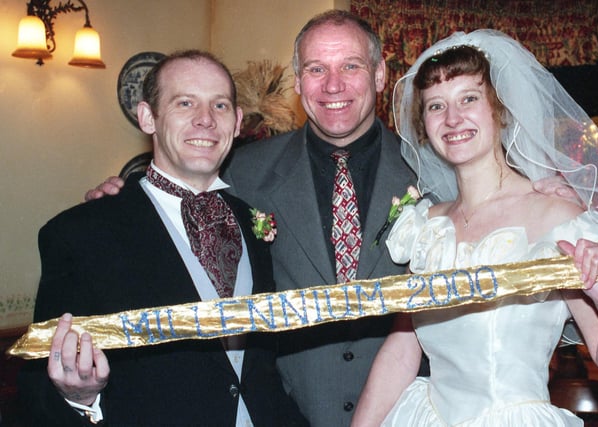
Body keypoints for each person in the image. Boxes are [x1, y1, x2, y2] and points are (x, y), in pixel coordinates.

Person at [85, 10, 419, 426]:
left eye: (350, 66)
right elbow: (173, 197)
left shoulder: (431, 172)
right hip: (285, 412)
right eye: (317, 69)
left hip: (411, 411)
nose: (334, 85)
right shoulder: (242, 172)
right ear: (298, 82)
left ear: (381, 74)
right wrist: (119, 198)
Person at [351, 30, 598, 426]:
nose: (452, 119)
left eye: (469, 98)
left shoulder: (557, 217)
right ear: (424, 125)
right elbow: (403, 350)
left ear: (500, 109)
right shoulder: (427, 227)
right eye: (436, 106)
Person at [18, 50, 308, 427]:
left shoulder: (252, 221)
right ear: (147, 117)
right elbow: (40, 389)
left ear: (236, 123)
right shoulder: (80, 235)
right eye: (184, 103)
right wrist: (81, 399)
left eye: (219, 105)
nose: (205, 119)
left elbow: (258, 366)